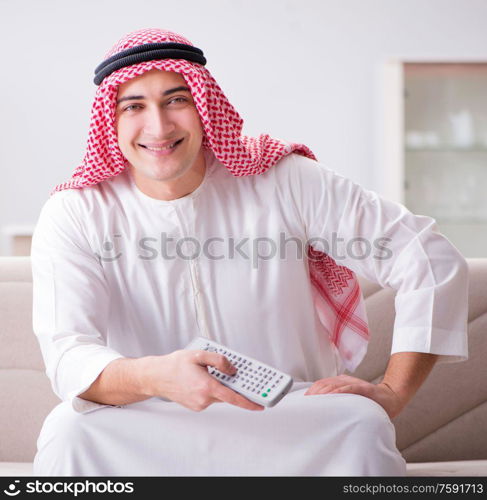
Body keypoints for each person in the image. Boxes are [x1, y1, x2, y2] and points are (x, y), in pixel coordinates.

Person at [31, 28, 468, 476]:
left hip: (288, 414)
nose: (158, 127)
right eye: (134, 106)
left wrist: (394, 391)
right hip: (148, 418)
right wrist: (153, 376)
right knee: (69, 430)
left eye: (176, 100)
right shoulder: (76, 213)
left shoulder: (284, 180)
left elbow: (428, 260)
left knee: (361, 421)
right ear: (111, 119)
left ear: (203, 105)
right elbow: (69, 351)